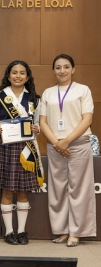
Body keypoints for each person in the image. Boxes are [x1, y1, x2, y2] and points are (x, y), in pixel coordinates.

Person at [40, 54, 96, 247]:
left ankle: (77, 232)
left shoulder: (83, 90)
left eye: (66, 67)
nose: (62, 71)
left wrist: (67, 141)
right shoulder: (47, 93)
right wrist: (57, 142)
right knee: (58, 190)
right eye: (57, 67)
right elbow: (42, 122)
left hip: (78, 144)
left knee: (79, 190)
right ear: (53, 70)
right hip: (55, 145)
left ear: (73, 69)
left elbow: (87, 119)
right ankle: (62, 230)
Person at [0, 60, 43, 245]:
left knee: (23, 190)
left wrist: (37, 128)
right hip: (7, 146)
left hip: (27, 148)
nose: (18, 76)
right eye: (14, 72)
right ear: (8, 75)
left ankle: (22, 232)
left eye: (22, 73)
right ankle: (9, 232)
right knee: (8, 190)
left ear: (27, 77)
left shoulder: (34, 98)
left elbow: (39, 124)